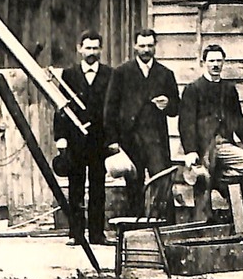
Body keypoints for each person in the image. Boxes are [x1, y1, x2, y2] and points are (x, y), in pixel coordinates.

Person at [177, 44, 243, 224]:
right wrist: (190, 150)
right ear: (204, 63)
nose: (215, 64)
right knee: (202, 186)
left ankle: (220, 180)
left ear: (223, 62)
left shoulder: (228, 89)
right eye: (211, 61)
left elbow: (237, 118)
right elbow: (186, 123)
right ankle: (201, 227)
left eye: (218, 60)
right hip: (204, 147)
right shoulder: (193, 89)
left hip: (225, 144)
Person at [105, 27, 181, 223]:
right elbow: (110, 108)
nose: (146, 50)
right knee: (134, 186)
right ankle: (136, 231)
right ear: (134, 46)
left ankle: (164, 228)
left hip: (156, 138)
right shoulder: (122, 72)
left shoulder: (165, 74)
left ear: (156, 47)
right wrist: (112, 140)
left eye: (150, 45)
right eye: (142, 45)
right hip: (130, 138)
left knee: (162, 182)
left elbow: (176, 108)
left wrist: (168, 104)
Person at [52, 31, 114, 254]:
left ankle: (97, 233)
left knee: (98, 188)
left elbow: (113, 110)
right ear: (79, 49)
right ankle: (76, 233)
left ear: (100, 50)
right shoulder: (69, 75)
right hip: (76, 142)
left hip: (99, 141)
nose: (91, 52)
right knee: (76, 188)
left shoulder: (109, 74)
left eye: (95, 48)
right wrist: (60, 138)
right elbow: (60, 108)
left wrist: (113, 140)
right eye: (87, 48)